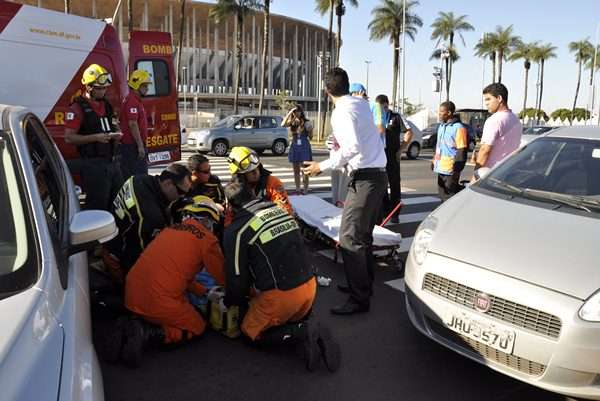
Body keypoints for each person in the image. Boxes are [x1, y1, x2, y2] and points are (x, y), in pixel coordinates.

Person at [222, 179, 341, 372]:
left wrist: (232, 302)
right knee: (279, 306)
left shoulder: (237, 230)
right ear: (252, 194)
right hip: (310, 288)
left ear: (230, 205)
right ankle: (303, 322)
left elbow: (236, 279)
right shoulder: (280, 211)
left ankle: (302, 331)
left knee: (250, 333)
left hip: (282, 295)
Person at [303, 67, 387, 315]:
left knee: (349, 238)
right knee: (363, 236)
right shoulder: (360, 104)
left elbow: (351, 147)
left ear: (326, 90)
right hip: (376, 177)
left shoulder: (341, 112)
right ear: (348, 86)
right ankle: (362, 286)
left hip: (365, 179)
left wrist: (322, 165)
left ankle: (359, 298)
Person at [111, 196, 225, 367]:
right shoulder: (208, 241)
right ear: (210, 222)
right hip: (158, 303)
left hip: (131, 294)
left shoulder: (169, 230)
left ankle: (134, 323)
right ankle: (149, 333)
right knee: (197, 326)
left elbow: (179, 276)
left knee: (169, 301)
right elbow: (224, 278)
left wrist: (205, 292)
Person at [105, 163, 192, 280]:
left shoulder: (138, 179)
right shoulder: (151, 217)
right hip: (118, 257)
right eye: (181, 192)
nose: (181, 197)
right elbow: (143, 257)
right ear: (168, 183)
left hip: (112, 236)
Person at [64, 63, 123, 211]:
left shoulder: (107, 106)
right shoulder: (77, 108)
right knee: (97, 207)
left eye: (105, 88)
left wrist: (117, 133)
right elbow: (69, 138)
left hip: (113, 163)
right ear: (89, 87)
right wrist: (95, 137)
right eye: (100, 88)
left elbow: (115, 125)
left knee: (119, 204)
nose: (104, 91)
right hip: (93, 166)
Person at [375, 94, 413, 223]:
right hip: (378, 156)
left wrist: (402, 148)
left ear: (387, 104)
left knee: (394, 184)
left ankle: (395, 213)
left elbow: (409, 131)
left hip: (392, 155)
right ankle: (385, 211)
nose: (382, 110)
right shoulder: (374, 118)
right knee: (381, 184)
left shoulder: (396, 117)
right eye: (379, 108)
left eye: (384, 107)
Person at [474, 83, 522, 178]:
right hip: (509, 173)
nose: (486, 103)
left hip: (490, 175)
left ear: (499, 98)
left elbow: (485, 150)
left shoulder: (494, 120)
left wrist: (475, 176)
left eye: (488, 99)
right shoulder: (516, 120)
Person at [227, 146, 292, 215]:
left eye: (257, 168)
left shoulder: (272, 182)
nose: (255, 172)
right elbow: (229, 218)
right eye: (250, 171)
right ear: (240, 175)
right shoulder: (234, 191)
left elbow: (285, 208)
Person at [118, 69, 152, 179]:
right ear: (137, 85)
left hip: (132, 146)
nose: (147, 89)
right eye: (145, 86)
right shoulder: (132, 101)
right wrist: (140, 145)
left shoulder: (134, 100)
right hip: (132, 147)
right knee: (140, 178)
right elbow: (132, 124)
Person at [432, 101, 468, 201]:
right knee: (442, 196)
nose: (439, 113)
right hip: (440, 167)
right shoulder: (441, 126)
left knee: (450, 197)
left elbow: (462, 150)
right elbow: (439, 146)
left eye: (441, 111)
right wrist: (434, 160)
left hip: (450, 169)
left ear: (449, 113)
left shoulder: (459, 128)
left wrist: (457, 169)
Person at [282, 105, 313, 195]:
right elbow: (283, 124)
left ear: (301, 112)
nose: (297, 113)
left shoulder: (306, 122)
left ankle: (305, 190)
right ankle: (298, 189)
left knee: (305, 169)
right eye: (295, 111)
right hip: (295, 145)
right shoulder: (292, 122)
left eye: (298, 111)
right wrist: (289, 113)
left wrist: (310, 130)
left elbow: (310, 137)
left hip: (304, 146)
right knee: (296, 170)